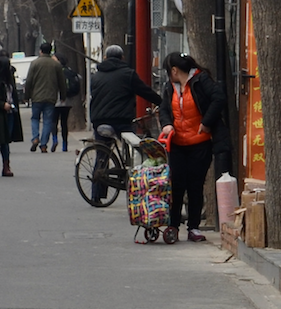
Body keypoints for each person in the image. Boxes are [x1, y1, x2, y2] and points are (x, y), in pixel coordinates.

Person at [157, 51, 227, 243]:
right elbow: (164, 108)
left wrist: (206, 122)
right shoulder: (170, 87)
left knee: (195, 185)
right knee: (176, 185)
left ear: (174, 70)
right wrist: (166, 124)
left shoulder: (200, 80)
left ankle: (193, 227)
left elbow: (219, 98)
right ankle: (173, 224)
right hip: (177, 143)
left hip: (199, 143)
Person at [88, 44, 162, 137]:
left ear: (105, 57)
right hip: (121, 119)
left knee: (102, 147)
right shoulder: (128, 74)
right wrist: (161, 102)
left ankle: (102, 151)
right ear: (122, 58)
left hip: (99, 119)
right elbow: (145, 92)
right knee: (128, 144)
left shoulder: (96, 76)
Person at [23, 41, 66, 153]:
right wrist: (63, 95)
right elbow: (62, 82)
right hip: (51, 97)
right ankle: (43, 144)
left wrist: (26, 96)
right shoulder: (56, 65)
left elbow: (29, 81)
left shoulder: (34, 63)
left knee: (35, 118)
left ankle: (35, 138)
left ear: (40, 51)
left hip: (36, 97)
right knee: (48, 120)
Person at [53, 52, 80, 153]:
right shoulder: (69, 71)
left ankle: (54, 139)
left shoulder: (55, 71)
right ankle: (65, 144)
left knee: (54, 121)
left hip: (56, 99)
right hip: (68, 100)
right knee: (64, 122)